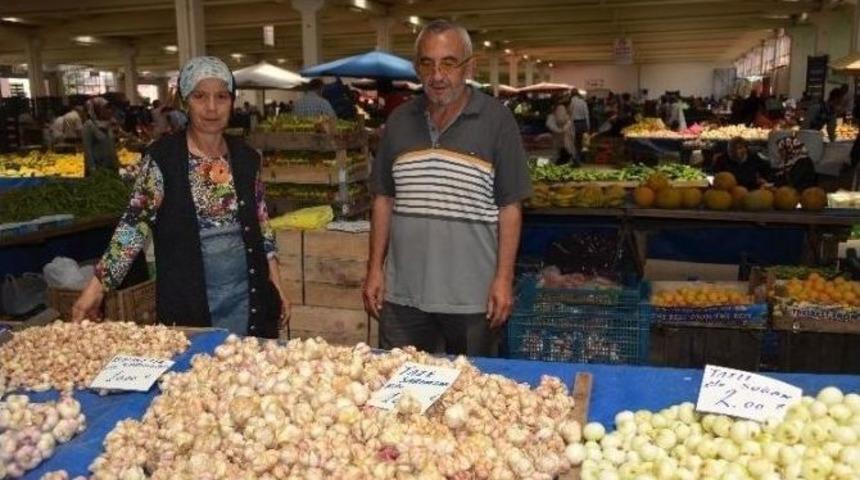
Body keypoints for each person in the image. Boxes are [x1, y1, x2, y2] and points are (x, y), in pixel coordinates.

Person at [72, 56, 289, 337]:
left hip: (249, 299)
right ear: (186, 101)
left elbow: (262, 227)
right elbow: (133, 226)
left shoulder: (246, 158)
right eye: (200, 96)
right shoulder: (164, 158)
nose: (211, 107)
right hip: (190, 302)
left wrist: (277, 286)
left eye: (221, 97)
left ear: (232, 102)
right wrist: (96, 289)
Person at [363, 19, 532, 356]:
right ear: (417, 68)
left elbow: (510, 207)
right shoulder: (398, 122)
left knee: (471, 395)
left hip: (472, 299)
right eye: (427, 63)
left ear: (469, 67)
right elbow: (383, 198)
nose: (437, 75)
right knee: (399, 387)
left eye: (449, 63)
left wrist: (503, 278)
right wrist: (374, 270)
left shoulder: (496, 121)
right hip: (403, 297)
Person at [82, 97, 119, 174]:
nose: (109, 111)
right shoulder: (89, 125)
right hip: (98, 170)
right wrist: (93, 170)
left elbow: (111, 146)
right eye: (106, 108)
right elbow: (87, 150)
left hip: (111, 168)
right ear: (97, 110)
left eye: (109, 108)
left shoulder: (108, 124)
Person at [568, 89, 590, 159]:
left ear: (571, 94)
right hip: (583, 122)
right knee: (583, 141)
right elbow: (586, 114)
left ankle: (576, 157)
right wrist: (588, 124)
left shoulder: (571, 102)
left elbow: (570, 114)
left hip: (575, 123)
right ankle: (583, 157)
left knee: (575, 141)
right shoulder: (583, 102)